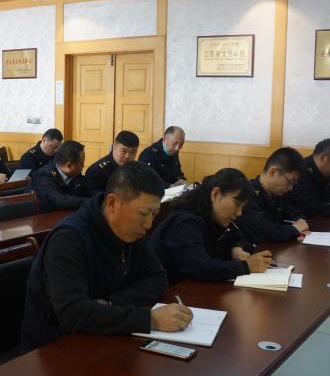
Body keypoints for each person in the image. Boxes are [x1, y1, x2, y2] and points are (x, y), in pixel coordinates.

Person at [21, 162, 193, 352]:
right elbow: (73, 314)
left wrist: (111, 303)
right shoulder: (68, 239)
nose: (149, 224)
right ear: (112, 203)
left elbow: (158, 278)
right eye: (143, 213)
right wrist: (150, 320)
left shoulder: (130, 231)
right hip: (54, 349)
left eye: (154, 214)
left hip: (103, 338)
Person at [150, 168, 272, 285]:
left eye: (242, 208)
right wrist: (246, 266)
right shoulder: (185, 221)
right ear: (215, 194)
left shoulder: (215, 216)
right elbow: (200, 267)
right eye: (237, 204)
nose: (239, 213)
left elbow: (238, 236)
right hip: (170, 292)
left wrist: (236, 248)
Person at [236, 147, 309, 243]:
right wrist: (294, 229)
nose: (290, 188)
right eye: (290, 181)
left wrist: (301, 222)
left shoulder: (277, 194)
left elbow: (295, 214)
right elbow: (264, 232)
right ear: (272, 172)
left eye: (294, 183)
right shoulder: (247, 194)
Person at [27, 140, 91, 212]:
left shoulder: (75, 174)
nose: (83, 166)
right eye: (81, 163)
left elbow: (87, 190)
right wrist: (90, 202)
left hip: (66, 213)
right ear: (69, 165)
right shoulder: (44, 176)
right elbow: (59, 201)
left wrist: (99, 199)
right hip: (43, 216)